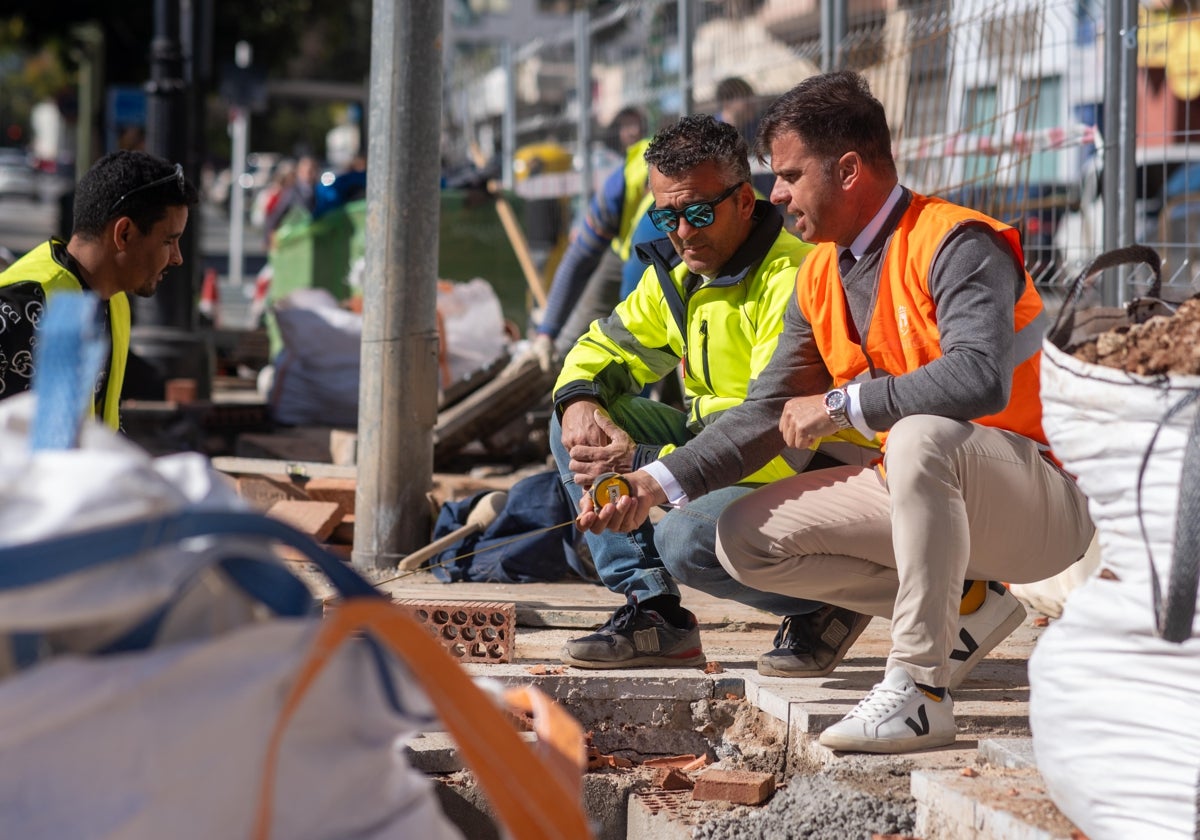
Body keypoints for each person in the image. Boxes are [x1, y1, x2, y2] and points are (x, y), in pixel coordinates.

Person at [583, 71, 1093, 753]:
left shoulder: (956, 242)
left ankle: (920, 691)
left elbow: (978, 378)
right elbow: (765, 411)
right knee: (739, 537)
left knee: (916, 436)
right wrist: (654, 485)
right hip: (929, 492)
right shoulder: (821, 273)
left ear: (848, 169)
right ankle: (969, 606)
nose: (778, 193)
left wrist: (842, 403)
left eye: (790, 175)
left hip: (1038, 502)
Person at [552, 113, 872, 672]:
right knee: (577, 427)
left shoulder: (792, 277)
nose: (683, 232)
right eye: (666, 216)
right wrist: (581, 405)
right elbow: (598, 351)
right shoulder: (680, 277)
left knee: (687, 538)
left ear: (745, 202)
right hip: (717, 450)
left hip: (809, 465)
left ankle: (829, 600)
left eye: (699, 211)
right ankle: (654, 613)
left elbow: (774, 442)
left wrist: (641, 465)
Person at [0, 150, 198, 430]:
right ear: (124, 233)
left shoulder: (114, 302)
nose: (177, 258)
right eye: (169, 241)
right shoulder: (16, 307)